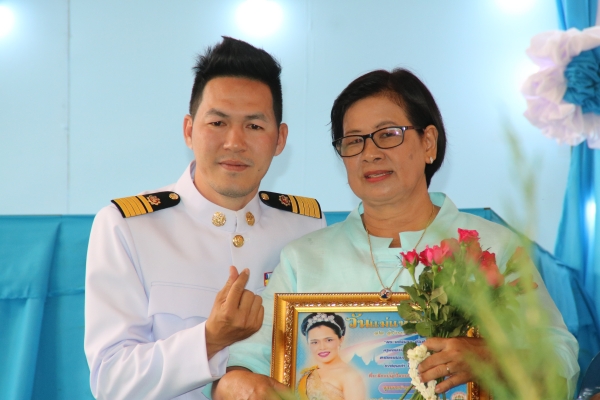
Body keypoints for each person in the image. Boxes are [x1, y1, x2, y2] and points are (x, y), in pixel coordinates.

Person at [211, 68, 580, 399]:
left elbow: (561, 364)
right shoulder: (304, 259)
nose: (369, 153)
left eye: (388, 135)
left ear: (428, 143)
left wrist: (493, 359)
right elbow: (241, 367)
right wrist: (241, 386)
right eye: (353, 141)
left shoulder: (493, 247)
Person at [84, 37, 326, 399]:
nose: (234, 142)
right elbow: (111, 379)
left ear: (280, 139)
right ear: (189, 130)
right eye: (217, 122)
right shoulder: (127, 227)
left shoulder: (305, 226)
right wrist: (210, 339)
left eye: (254, 126)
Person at [296, 313, 365, 400]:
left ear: (341, 339)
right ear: (308, 344)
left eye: (329, 340)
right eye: (315, 342)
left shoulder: (350, 376)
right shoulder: (309, 374)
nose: (322, 347)